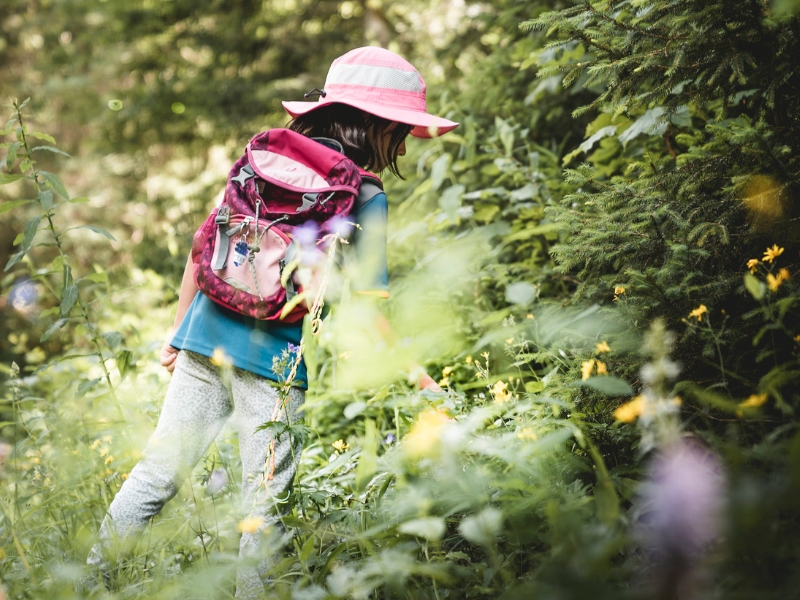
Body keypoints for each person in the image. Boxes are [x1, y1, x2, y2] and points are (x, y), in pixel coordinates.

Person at [86, 46, 458, 597]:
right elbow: (369, 311)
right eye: (401, 129)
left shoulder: (266, 158)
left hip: (203, 334)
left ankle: (89, 581)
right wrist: (422, 381)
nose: (403, 143)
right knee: (263, 504)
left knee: (158, 470)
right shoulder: (367, 196)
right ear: (378, 125)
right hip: (272, 361)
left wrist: (176, 329)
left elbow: (202, 245)